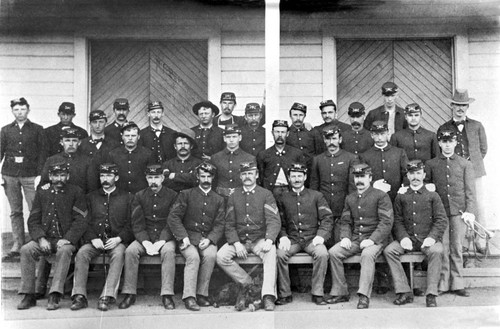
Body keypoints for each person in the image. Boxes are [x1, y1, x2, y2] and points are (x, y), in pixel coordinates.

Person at [17, 162, 87, 310]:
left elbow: (81, 220)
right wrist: (41, 238)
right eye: (56, 175)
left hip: (66, 240)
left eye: (63, 175)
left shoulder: (76, 192)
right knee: (26, 249)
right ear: (50, 176)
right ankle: (29, 294)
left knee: (64, 250)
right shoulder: (43, 192)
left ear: (67, 176)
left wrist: (67, 238)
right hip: (46, 239)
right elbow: (33, 219)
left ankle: (55, 294)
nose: (59, 179)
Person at [216, 162, 281, 311]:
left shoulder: (265, 194)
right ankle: (249, 283)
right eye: (244, 174)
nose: (247, 177)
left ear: (256, 175)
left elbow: (274, 220)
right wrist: (236, 243)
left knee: (270, 252)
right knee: (220, 256)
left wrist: (269, 239)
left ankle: (268, 296)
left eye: (250, 173)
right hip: (240, 241)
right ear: (240, 176)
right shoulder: (234, 196)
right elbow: (229, 224)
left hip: (259, 239)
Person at [327, 163, 393, 309]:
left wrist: (372, 240)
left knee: (367, 255)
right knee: (333, 252)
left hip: (377, 240)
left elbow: (386, 222)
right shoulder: (350, 198)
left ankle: (363, 296)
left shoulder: (381, 196)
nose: (359, 180)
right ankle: (340, 292)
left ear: (370, 177)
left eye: (362, 176)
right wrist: (345, 237)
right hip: (357, 238)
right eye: (357, 177)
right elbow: (345, 221)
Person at [383, 160, 448, 308]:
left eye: (418, 173)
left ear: (424, 174)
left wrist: (432, 238)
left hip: (427, 239)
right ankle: (404, 291)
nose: (415, 177)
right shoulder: (401, 196)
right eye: (412, 173)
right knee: (389, 250)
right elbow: (397, 220)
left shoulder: (432, 195)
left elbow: (441, 220)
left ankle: (431, 294)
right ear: (407, 175)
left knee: (437, 250)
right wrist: (403, 237)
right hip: (409, 239)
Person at [70, 163, 133, 311]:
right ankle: (79, 296)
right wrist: (92, 238)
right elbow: (82, 220)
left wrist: (119, 239)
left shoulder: (128, 197)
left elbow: (132, 223)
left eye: (109, 175)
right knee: (82, 253)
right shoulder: (90, 197)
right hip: (95, 240)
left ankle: (107, 296)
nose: (105, 179)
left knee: (119, 254)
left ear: (116, 177)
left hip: (116, 241)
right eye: (102, 175)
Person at [119, 165, 178, 310]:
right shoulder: (139, 196)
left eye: (156, 177)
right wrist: (145, 242)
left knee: (169, 252)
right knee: (131, 251)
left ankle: (167, 294)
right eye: (150, 178)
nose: (153, 181)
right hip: (144, 236)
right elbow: (137, 223)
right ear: (146, 179)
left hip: (165, 237)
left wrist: (161, 241)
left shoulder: (173, 195)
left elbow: (173, 221)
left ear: (162, 178)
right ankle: (129, 293)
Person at [167, 162, 225, 311]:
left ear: (213, 178)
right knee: (193, 257)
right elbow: (173, 217)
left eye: (209, 177)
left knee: (211, 254)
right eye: (203, 176)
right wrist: (182, 237)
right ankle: (189, 297)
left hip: (206, 238)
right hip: (187, 238)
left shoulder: (218, 199)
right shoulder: (186, 194)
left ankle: (201, 294)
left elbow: (220, 224)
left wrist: (210, 239)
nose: (205, 179)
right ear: (198, 177)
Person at [425, 129, 476, 297]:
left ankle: (458, 283)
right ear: (439, 143)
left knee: (457, 247)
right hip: (440, 213)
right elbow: (429, 191)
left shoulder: (465, 164)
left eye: (450, 141)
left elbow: (470, 191)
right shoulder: (431, 164)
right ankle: (443, 283)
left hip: (459, 213)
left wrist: (470, 211)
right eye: (444, 142)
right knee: (443, 248)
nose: (447, 145)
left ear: (455, 143)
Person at [276, 163, 334, 305]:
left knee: (322, 253)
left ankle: (317, 293)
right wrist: (283, 236)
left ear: (305, 177)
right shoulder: (283, 198)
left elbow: (327, 218)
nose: (297, 179)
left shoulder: (316, 196)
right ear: (289, 178)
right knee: (280, 254)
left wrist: (320, 235)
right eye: (293, 176)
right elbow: (279, 221)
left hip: (312, 239)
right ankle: (285, 293)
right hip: (293, 240)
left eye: (300, 176)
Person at [438, 89, 488, 254]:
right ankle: (463, 244)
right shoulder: (444, 127)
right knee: (459, 206)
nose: (460, 108)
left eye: (464, 105)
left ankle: (481, 242)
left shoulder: (477, 126)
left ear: (467, 107)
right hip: (454, 173)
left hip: (475, 172)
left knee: (478, 206)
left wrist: (471, 164)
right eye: (457, 105)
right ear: (452, 106)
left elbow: (483, 149)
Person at [1, 97, 46, 260]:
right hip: (10, 174)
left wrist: (40, 175)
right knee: (15, 211)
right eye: (16, 109)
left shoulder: (37, 129)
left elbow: (42, 153)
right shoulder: (5, 130)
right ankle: (17, 243)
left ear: (28, 109)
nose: (19, 112)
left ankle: (35, 241)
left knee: (35, 209)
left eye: (22, 109)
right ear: (12, 111)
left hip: (30, 175)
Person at [310, 125, 358, 244]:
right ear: (324, 140)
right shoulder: (318, 159)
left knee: (341, 242)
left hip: (342, 209)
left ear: (340, 140)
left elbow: (352, 187)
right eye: (329, 139)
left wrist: (348, 209)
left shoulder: (351, 158)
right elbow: (314, 186)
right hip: (324, 209)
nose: (332, 142)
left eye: (335, 138)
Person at [256, 120, 306, 202]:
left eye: (283, 132)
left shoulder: (297, 154)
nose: (280, 135)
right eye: (277, 132)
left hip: (290, 191)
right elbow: (260, 178)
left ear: (287, 134)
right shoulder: (263, 155)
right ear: (272, 133)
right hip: (271, 192)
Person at [360, 121, 408, 201]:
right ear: (372, 135)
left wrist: (405, 186)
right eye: (376, 134)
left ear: (388, 133)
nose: (380, 138)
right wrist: (373, 184)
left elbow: (407, 173)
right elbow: (362, 178)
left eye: (382, 134)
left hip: (396, 197)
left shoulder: (399, 153)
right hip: (374, 199)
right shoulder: (365, 156)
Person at [41, 128, 98, 193]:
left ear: (79, 142)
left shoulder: (88, 161)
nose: (71, 144)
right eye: (67, 140)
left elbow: (92, 188)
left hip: (80, 199)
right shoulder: (52, 160)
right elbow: (43, 184)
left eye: (74, 140)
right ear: (61, 142)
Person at [106, 122, 154, 194]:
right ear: (122, 137)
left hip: (141, 195)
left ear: (138, 137)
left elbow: (152, 177)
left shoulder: (147, 154)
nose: (130, 138)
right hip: (120, 195)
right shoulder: (113, 154)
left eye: (133, 135)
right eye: (127, 136)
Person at [210, 125, 255, 199]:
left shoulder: (249, 158)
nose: (231, 140)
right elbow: (212, 181)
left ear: (240, 138)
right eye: (228, 137)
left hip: (242, 198)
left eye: (234, 137)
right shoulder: (215, 158)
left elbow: (252, 182)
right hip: (220, 198)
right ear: (224, 138)